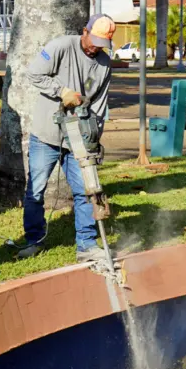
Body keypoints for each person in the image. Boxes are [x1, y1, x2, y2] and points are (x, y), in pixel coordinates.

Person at [18, 14, 116, 261]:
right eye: (94, 40)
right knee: (36, 190)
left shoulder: (104, 63)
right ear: (84, 31)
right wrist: (62, 92)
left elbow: (100, 105)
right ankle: (34, 240)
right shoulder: (61, 46)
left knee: (86, 190)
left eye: (102, 44)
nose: (96, 47)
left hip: (78, 139)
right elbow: (34, 73)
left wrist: (93, 138)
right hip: (47, 134)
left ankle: (86, 244)